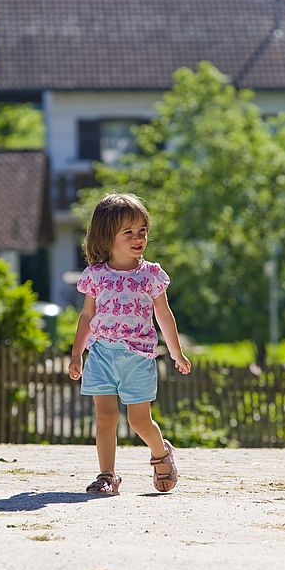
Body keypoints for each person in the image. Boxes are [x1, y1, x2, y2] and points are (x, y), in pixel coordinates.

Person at [68, 192, 191, 495]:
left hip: (138, 357)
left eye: (143, 231)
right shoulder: (96, 276)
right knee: (105, 416)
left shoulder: (150, 275)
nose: (138, 238)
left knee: (139, 420)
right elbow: (86, 316)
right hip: (101, 355)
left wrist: (177, 353)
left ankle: (161, 453)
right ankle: (107, 475)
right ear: (107, 236)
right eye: (129, 232)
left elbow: (163, 314)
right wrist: (77, 354)